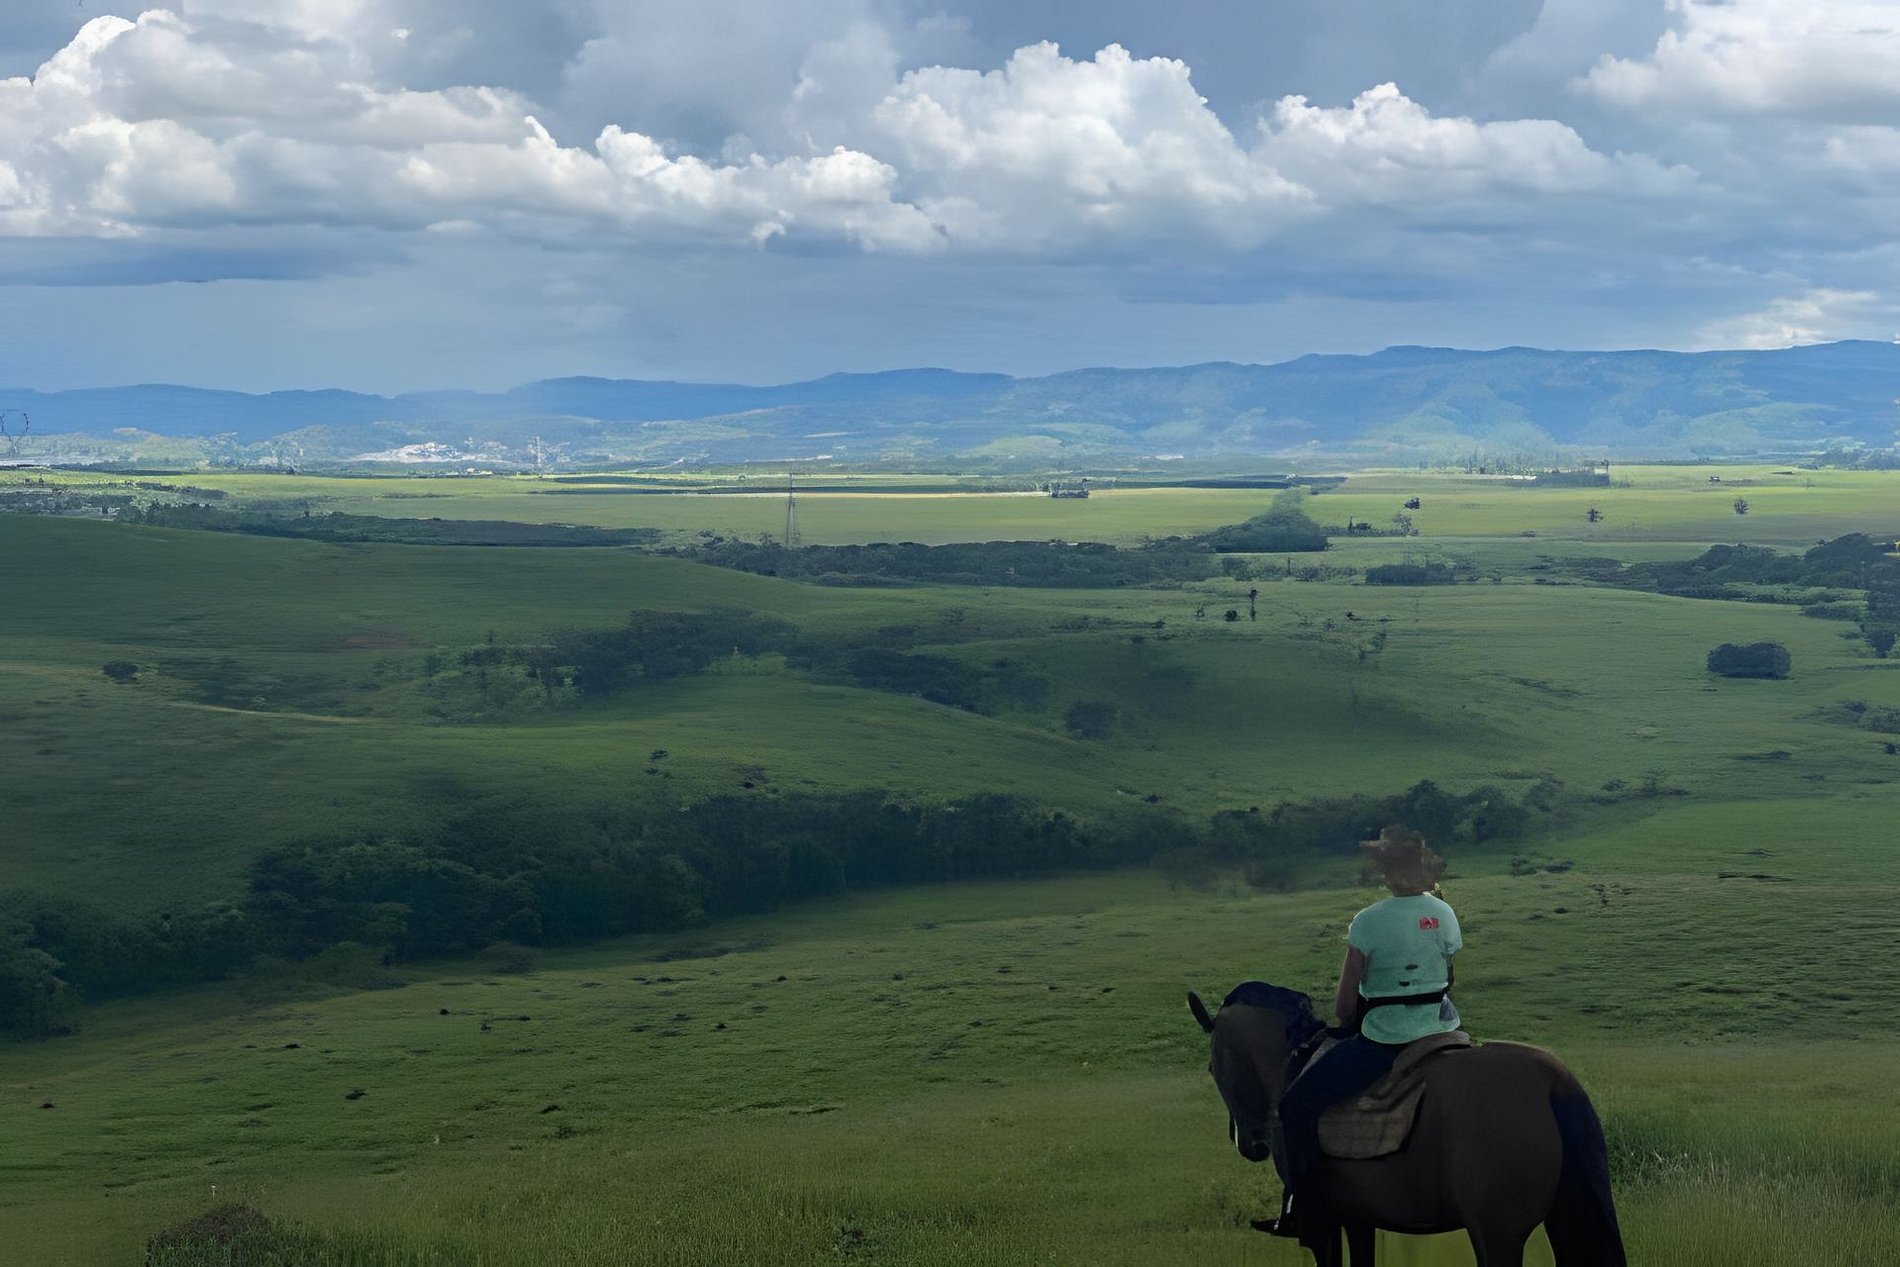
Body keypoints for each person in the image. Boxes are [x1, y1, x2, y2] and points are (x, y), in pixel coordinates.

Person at [1264, 825, 1463, 1241]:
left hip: (1386, 1037)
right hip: (1442, 1030)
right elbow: (1448, 975)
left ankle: (1305, 1206)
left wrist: (1350, 1018)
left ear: (1386, 873)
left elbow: (1344, 1006)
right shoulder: (1444, 913)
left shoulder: (1368, 921)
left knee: (1295, 1106)